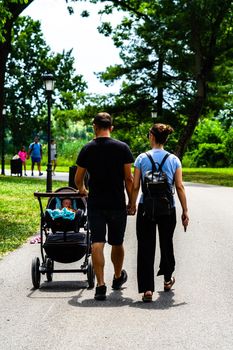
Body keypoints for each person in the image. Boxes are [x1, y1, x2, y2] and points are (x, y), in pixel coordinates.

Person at [75, 112, 134, 301]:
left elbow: (78, 178)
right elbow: (128, 178)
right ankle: (117, 277)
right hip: (116, 203)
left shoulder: (87, 149)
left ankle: (100, 285)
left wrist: (83, 190)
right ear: (111, 127)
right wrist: (131, 202)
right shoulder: (122, 148)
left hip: (96, 203)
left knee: (97, 243)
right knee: (117, 242)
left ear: (94, 127)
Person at [129, 123, 189, 302]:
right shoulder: (173, 159)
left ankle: (147, 289)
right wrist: (185, 210)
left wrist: (132, 204)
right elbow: (179, 186)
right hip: (167, 208)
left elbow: (135, 185)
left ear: (152, 137)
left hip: (146, 208)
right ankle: (167, 279)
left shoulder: (141, 158)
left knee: (145, 246)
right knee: (166, 243)